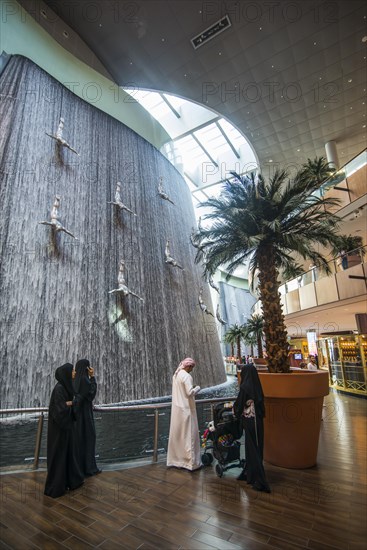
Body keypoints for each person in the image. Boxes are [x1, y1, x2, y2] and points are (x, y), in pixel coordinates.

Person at [44, 363, 84, 498]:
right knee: (59, 456)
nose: (74, 373)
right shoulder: (59, 389)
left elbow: (65, 405)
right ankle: (56, 486)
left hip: (65, 429)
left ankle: (70, 481)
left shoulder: (66, 387)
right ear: (66, 373)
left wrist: (70, 403)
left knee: (67, 454)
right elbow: (60, 410)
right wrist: (72, 403)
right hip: (59, 431)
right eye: (72, 371)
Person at [234, 365, 271, 493]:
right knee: (256, 447)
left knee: (252, 448)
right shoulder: (256, 385)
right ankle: (250, 474)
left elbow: (239, 403)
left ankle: (260, 481)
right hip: (258, 421)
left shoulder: (245, 387)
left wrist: (235, 411)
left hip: (250, 421)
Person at [167, 357, 201, 471]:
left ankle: (177, 460)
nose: (192, 370)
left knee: (178, 436)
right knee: (189, 436)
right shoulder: (186, 376)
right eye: (192, 367)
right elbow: (190, 392)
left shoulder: (176, 375)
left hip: (177, 410)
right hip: (187, 410)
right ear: (189, 366)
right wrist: (198, 388)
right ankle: (191, 463)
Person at [73, 359, 101, 476]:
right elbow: (91, 394)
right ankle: (89, 468)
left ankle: (79, 468)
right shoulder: (85, 380)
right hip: (85, 416)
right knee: (89, 439)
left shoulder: (74, 380)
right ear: (87, 368)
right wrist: (92, 377)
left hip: (76, 417)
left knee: (79, 442)